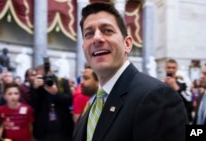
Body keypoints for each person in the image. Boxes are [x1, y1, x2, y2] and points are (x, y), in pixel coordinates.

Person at [73, 2, 188, 141]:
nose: (96, 38)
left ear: (127, 44)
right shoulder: (92, 105)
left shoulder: (157, 97)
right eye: (88, 33)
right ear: (83, 47)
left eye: (107, 30)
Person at [31, 63, 74, 141]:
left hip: (62, 129)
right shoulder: (36, 86)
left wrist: (56, 94)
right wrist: (35, 89)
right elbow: (33, 105)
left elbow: (69, 100)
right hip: (44, 130)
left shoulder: (62, 82)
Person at [164, 59, 193, 123]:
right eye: (169, 67)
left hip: (181, 119)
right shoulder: (161, 84)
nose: (171, 70)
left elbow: (188, 102)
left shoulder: (183, 83)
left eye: (173, 68)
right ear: (165, 68)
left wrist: (176, 87)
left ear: (176, 69)